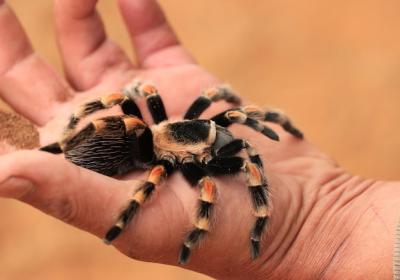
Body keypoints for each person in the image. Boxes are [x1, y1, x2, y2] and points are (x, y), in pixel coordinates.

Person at [0, 0, 398, 279]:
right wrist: (189, 229)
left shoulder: (175, 119)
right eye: (216, 131)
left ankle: (68, 140)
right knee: (200, 179)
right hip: (135, 150)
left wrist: (305, 226)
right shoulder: (182, 164)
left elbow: (214, 108)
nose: (222, 130)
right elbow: (192, 185)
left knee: (126, 103)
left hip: (143, 137)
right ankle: (69, 141)